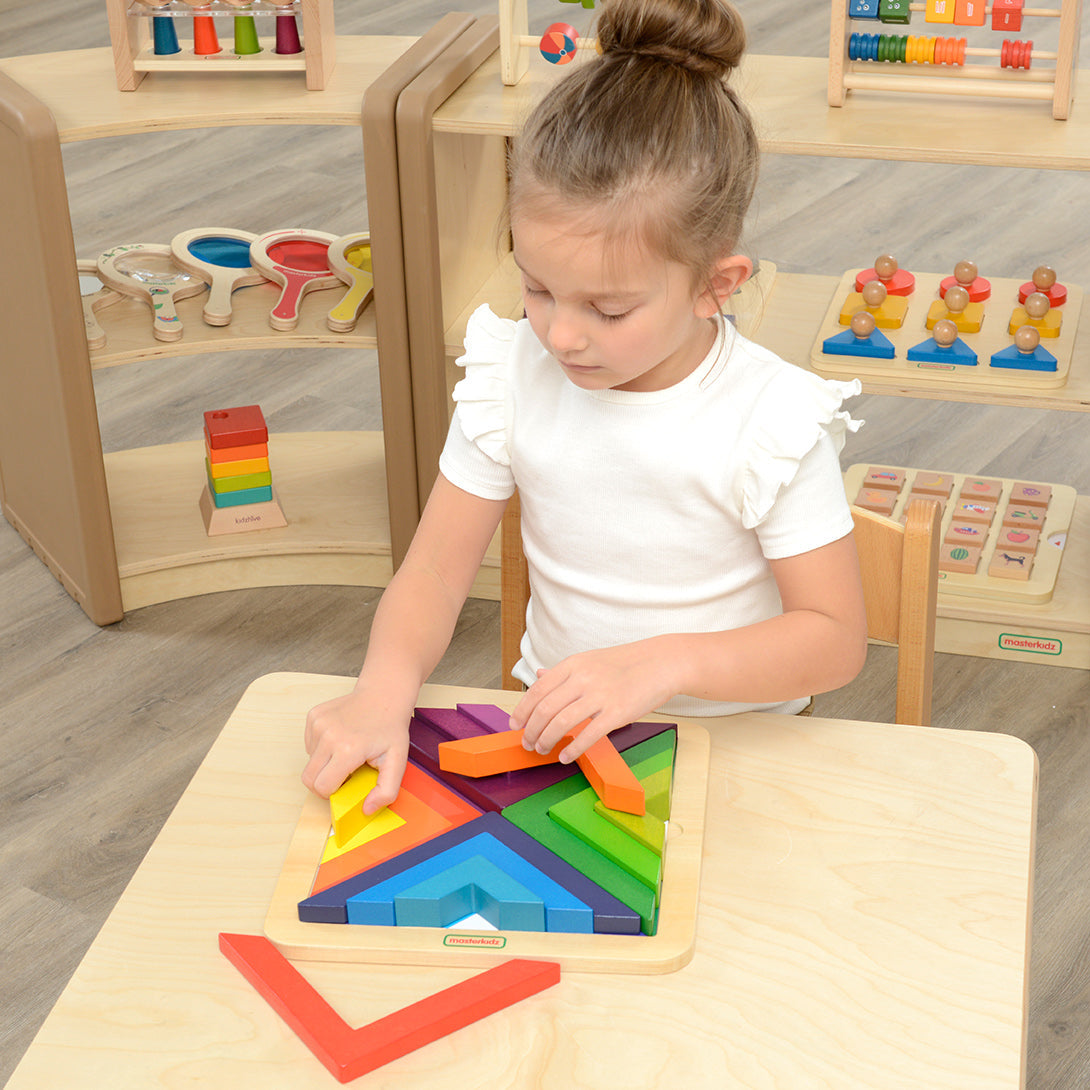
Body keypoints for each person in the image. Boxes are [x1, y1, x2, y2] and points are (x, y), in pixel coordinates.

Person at [303, 0, 868, 809]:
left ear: (717, 286)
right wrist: (380, 691)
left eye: (607, 310)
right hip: (559, 742)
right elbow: (433, 567)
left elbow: (834, 640)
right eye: (536, 286)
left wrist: (665, 663)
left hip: (741, 745)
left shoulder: (771, 420)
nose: (561, 335)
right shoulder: (511, 376)